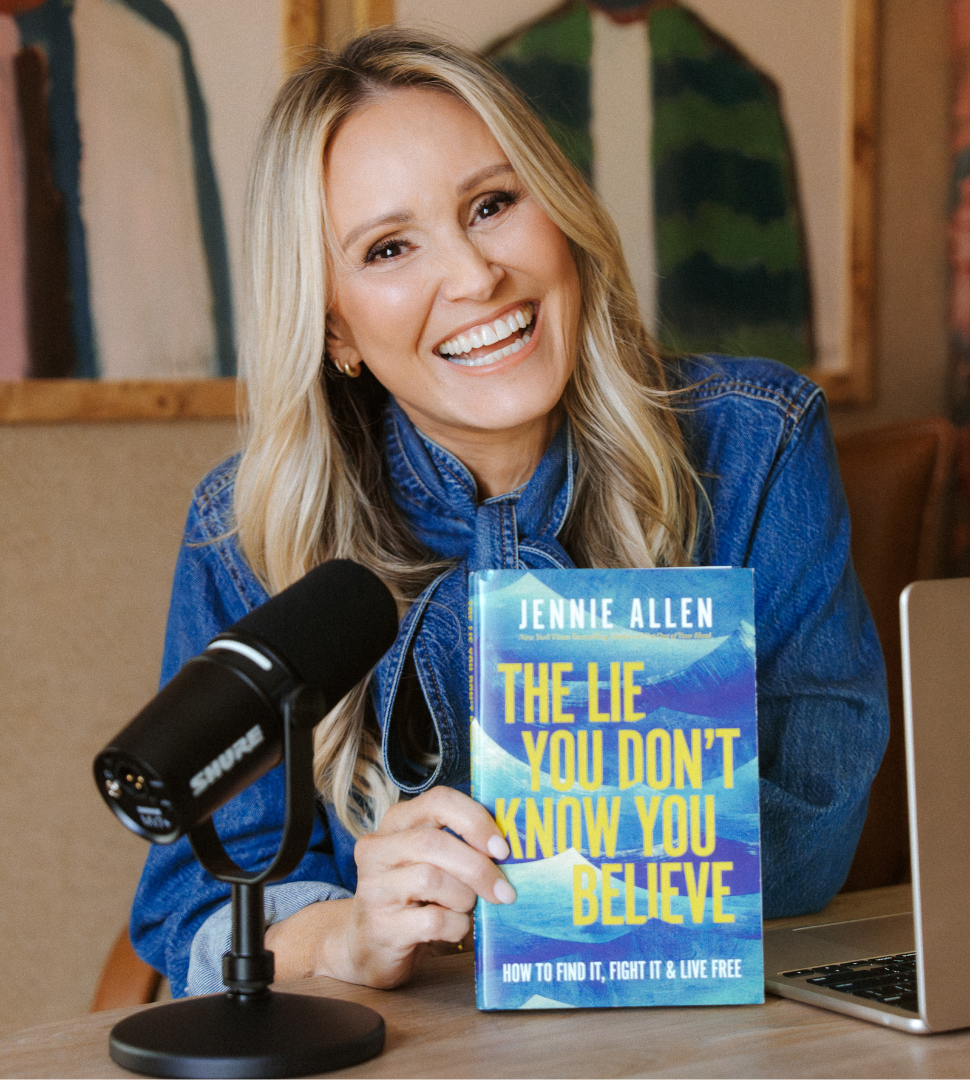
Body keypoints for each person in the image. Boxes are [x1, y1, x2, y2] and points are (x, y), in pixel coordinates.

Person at [132, 28, 888, 1000]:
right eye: (391, 247)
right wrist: (345, 934)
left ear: (561, 213)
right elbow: (189, 907)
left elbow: (818, 830)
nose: (475, 276)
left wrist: (522, 857)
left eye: (492, 205)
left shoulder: (756, 446)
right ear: (335, 329)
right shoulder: (245, 536)